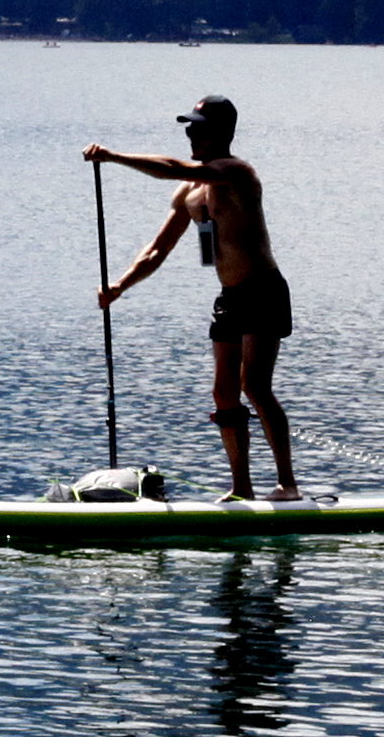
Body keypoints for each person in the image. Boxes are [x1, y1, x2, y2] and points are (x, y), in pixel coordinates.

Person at [88, 97, 300, 502]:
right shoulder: (191, 191)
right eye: (188, 127)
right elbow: (157, 250)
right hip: (231, 297)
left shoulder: (237, 173)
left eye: (199, 128)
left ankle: (287, 485)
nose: (190, 134)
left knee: (254, 385)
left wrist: (113, 157)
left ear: (223, 133)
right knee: (224, 393)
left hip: (264, 290)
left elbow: (172, 168)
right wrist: (119, 286)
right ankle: (242, 488)